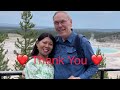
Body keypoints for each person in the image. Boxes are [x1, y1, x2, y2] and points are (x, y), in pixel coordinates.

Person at [53, 11, 98, 79]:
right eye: (56, 23)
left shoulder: (82, 42)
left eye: (62, 21)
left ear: (70, 22)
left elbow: (94, 66)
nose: (59, 25)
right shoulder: (55, 42)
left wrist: (80, 78)